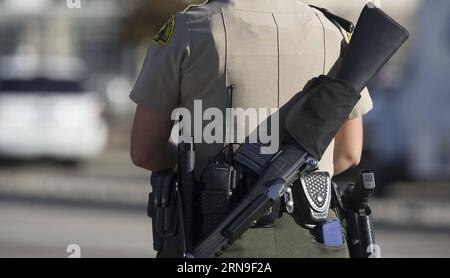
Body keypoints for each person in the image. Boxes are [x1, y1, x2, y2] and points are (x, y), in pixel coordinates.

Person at [130, 0, 373, 258]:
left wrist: (191, 165)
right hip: (318, 238)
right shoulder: (333, 33)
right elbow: (348, 153)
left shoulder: (189, 28)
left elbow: (145, 151)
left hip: (220, 239)